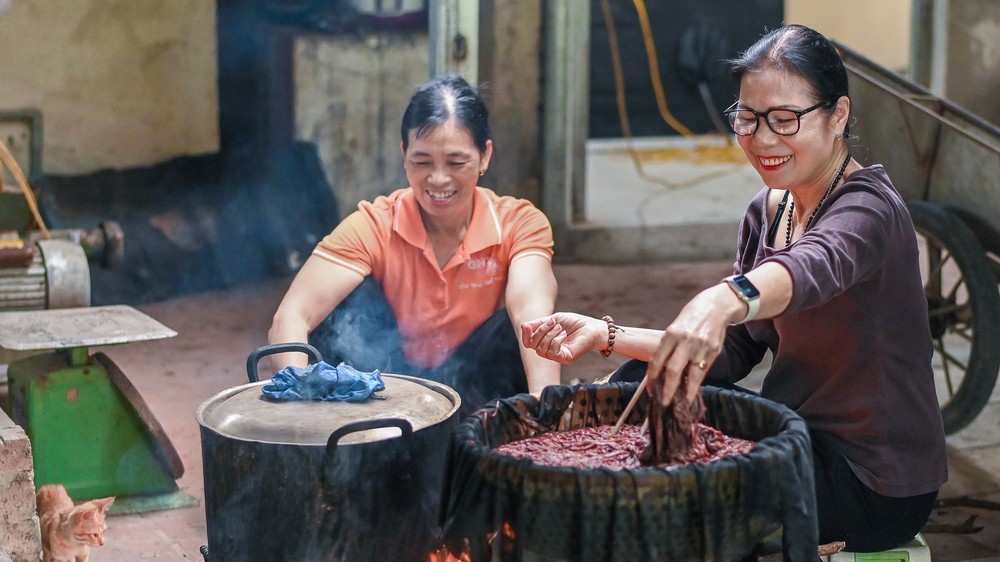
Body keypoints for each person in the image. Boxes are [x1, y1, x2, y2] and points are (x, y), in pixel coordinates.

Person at [520, 24, 947, 552]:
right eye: (748, 119)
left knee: (670, 492)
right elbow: (733, 351)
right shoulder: (769, 209)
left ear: (838, 115)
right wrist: (606, 336)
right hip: (794, 439)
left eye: (785, 120)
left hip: (870, 481)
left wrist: (722, 299)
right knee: (640, 380)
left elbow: (813, 264)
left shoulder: (868, 209)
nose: (763, 140)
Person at [269, 74, 560, 416]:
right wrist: (302, 403)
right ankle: (338, 447)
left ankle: (502, 447)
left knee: (519, 332)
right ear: (404, 155)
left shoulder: (519, 223)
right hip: (389, 385)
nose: (438, 179)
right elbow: (291, 316)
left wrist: (547, 408)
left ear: (484, 157)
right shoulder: (375, 223)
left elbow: (533, 313)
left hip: (479, 385)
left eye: (456, 162)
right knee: (338, 311)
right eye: (422, 162)